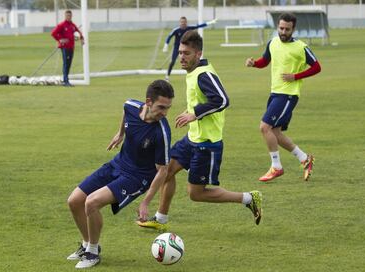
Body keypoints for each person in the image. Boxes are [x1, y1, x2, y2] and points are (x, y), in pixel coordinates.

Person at [137, 31, 262, 232]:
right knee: (166, 171)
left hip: (207, 144)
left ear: (198, 53)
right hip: (192, 139)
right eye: (180, 53)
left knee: (196, 194)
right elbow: (204, 100)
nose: (182, 57)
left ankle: (248, 198)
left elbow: (222, 100)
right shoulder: (193, 72)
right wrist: (190, 111)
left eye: (186, 53)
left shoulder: (204, 74)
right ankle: (160, 219)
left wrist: (194, 114)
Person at [66, 80, 174, 269]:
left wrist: (146, 202)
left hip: (137, 177)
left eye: (168, 108)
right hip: (118, 163)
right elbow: (125, 112)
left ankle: (92, 253)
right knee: (74, 201)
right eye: (161, 107)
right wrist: (120, 133)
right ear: (148, 102)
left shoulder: (161, 132)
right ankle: (87, 245)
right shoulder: (131, 106)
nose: (164, 113)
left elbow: (163, 171)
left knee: (91, 202)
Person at [245, 12, 321, 182]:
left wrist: (296, 76)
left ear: (293, 29)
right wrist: (254, 63)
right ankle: (304, 159)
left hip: (288, 95)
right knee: (275, 133)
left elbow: (317, 67)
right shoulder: (273, 42)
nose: (283, 32)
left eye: (287, 29)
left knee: (265, 127)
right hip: (275, 93)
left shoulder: (301, 47)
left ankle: (276, 167)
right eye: (281, 28)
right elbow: (265, 61)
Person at [163, 16, 217, 81]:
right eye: (182, 22)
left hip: (187, 49)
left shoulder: (189, 28)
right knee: (172, 62)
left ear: (186, 22)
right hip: (177, 48)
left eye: (184, 22)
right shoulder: (176, 30)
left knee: (191, 61)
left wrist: (210, 22)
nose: (183, 23)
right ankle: (167, 76)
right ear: (179, 23)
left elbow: (199, 26)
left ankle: (194, 75)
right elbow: (169, 37)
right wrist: (166, 45)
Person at [51, 10, 84, 86]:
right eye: (67, 16)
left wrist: (82, 38)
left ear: (71, 16)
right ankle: (66, 81)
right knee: (66, 63)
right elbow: (53, 33)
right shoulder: (62, 25)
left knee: (69, 64)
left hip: (71, 47)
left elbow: (78, 32)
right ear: (65, 16)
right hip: (64, 47)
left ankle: (65, 80)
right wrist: (60, 39)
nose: (68, 17)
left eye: (70, 16)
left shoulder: (72, 25)